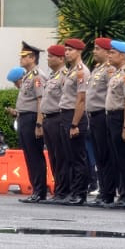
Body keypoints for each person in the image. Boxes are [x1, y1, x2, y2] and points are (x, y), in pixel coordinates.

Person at [101, 40, 125, 208]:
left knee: (124, 158)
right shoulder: (116, 73)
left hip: (120, 117)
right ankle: (120, 192)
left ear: (122, 56)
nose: (109, 55)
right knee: (115, 157)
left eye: (112, 53)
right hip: (110, 116)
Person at [12, 42, 47, 203]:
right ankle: (35, 189)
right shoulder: (28, 76)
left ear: (32, 58)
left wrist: (39, 124)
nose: (21, 58)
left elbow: (41, 100)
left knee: (35, 155)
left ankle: (40, 191)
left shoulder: (38, 76)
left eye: (24, 56)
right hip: (24, 117)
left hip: (32, 118)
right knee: (29, 155)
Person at [85, 38, 116, 205]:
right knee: (98, 156)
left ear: (106, 52)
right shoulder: (97, 69)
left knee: (105, 156)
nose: (94, 51)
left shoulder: (109, 70)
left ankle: (107, 192)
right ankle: (103, 191)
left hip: (103, 116)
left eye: (98, 49)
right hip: (93, 116)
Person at [39, 44, 72, 202]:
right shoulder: (52, 76)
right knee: (53, 157)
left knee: (61, 157)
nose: (48, 59)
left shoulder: (65, 75)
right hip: (48, 119)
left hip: (58, 117)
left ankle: (64, 190)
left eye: (52, 56)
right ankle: (59, 188)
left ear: (61, 58)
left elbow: (67, 98)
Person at [61, 38, 90, 204]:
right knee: (70, 157)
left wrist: (75, 123)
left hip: (75, 115)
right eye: (65, 50)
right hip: (66, 114)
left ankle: (80, 193)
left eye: (70, 50)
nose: (67, 53)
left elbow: (81, 99)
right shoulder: (71, 71)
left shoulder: (81, 71)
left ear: (79, 52)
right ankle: (73, 191)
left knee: (78, 157)